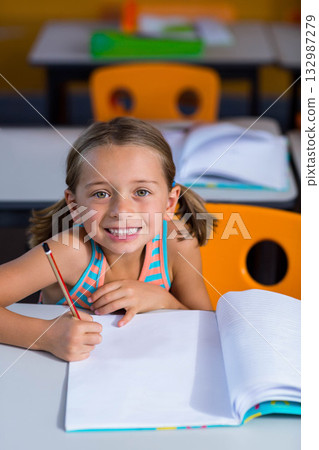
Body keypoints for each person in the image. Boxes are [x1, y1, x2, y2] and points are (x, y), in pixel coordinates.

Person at [0, 117, 214, 362]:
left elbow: (207, 327)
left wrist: (164, 301)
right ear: (75, 205)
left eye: (141, 192)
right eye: (100, 193)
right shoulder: (69, 253)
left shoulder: (177, 243)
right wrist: (46, 336)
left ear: (169, 202)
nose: (121, 210)